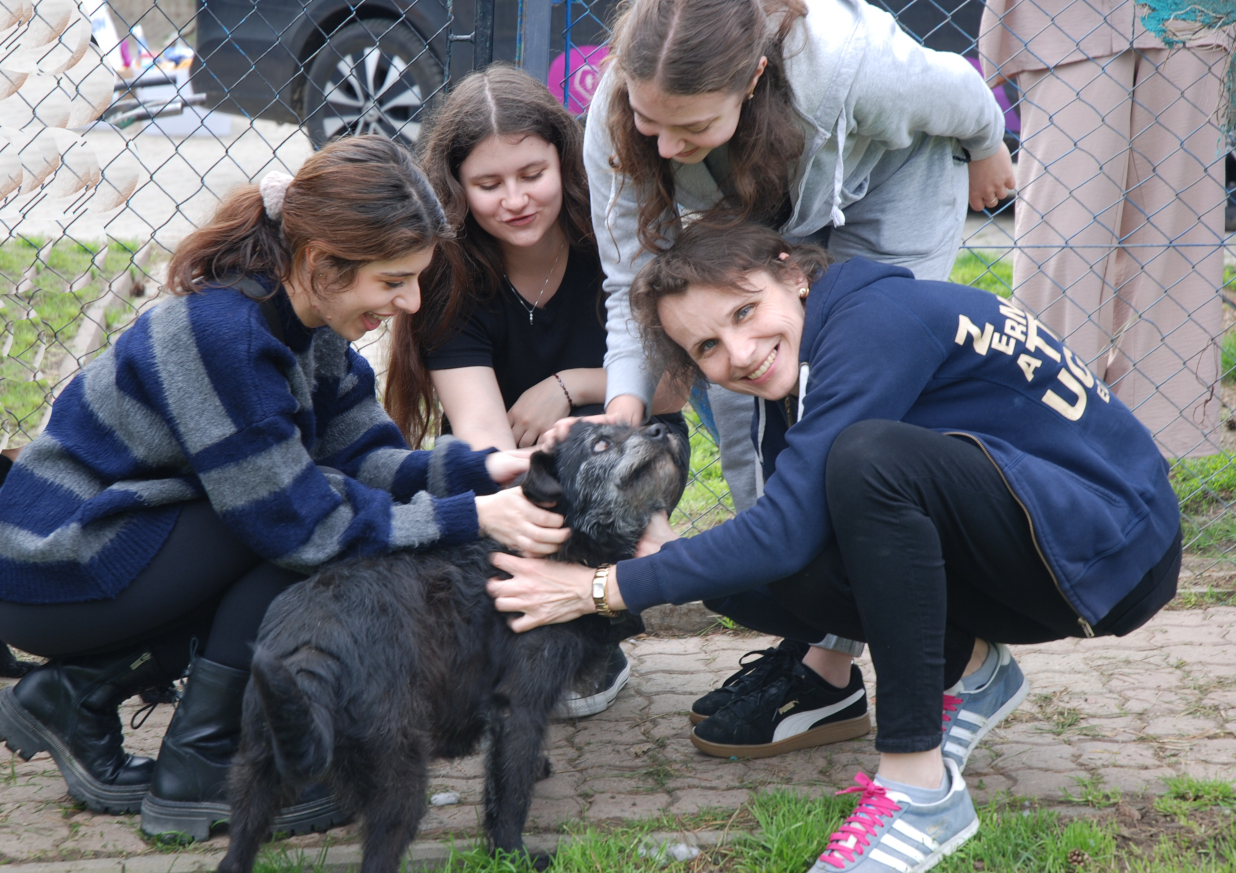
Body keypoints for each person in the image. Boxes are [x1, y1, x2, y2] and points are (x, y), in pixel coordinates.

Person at [488, 222, 1181, 871]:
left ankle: (919, 788)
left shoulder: (873, 323)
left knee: (867, 461)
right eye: (708, 348)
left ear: (792, 273)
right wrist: (665, 558)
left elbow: (786, 530)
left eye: (743, 312)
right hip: (1049, 542)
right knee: (794, 542)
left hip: (1115, 549)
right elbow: (786, 553)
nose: (739, 353)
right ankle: (970, 667)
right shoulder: (801, 366)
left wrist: (601, 589)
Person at [0, 136, 569, 840]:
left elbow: (366, 459)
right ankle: (202, 765)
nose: (407, 303)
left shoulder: (311, 324)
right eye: (393, 281)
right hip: (44, 565)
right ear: (320, 261)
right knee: (298, 533)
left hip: (114, 549)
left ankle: (75, 696)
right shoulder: (223, 335)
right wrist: (472, 517)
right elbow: (298, 524)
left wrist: (482, 472)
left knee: (305, 509)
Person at [581, 0, 1016, 749]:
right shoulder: (620, 107)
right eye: (652, 122)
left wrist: (987, 147)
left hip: (890, 192)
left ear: (752, 78)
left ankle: (838, 667)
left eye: (692, 127)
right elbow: (630, 281)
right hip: (758, 210)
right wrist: (625, 406)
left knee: (847, 427)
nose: (667, 146)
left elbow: (960, 87)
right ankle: (815, 636)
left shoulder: (850, 66)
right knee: (746, 398)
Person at [385, 65, 686, 717]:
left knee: (611, 444)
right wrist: (527, 493)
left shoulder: (609, 243)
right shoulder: (450, 277)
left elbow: (672, 389)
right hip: (519, 463)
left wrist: (569, 386)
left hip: (616, 444)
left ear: (565, 163)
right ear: (457, 190)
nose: (515, 199)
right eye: (488, 184)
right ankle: (516, 628)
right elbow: (483, 439)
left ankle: (597, 635)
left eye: (532, 174)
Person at [978, 1, 1232, 457]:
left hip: (1193, 15)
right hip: (1064, 13)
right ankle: (1047, 440)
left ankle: (1149, 458)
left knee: (1176, 242)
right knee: (1062, 237)